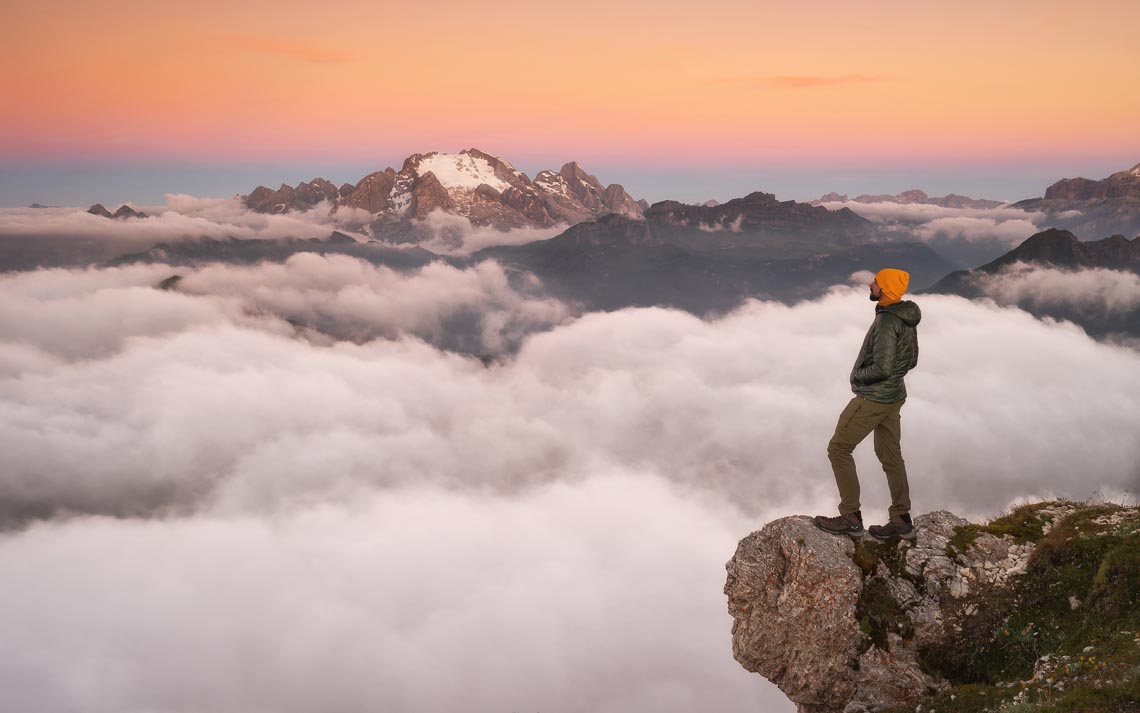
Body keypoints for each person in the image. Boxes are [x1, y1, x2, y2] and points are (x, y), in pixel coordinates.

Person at [813, 268, 922, 540]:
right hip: (894, 396)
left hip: (874, 398)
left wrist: (857, 376)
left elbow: (883, 367)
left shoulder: (887, 321)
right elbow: (911, 360)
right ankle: (901, 518)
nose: (870, 284)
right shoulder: (906, 317)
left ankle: (851, 516)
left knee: (838, 448)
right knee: (891, 456)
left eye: (875, 281)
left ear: (884, 288)